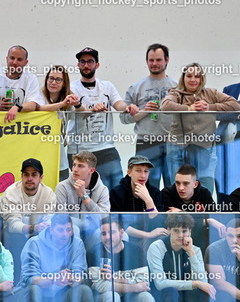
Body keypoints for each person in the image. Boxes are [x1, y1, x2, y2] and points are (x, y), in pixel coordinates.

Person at [147, 214, 222, 302]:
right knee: (170, 290)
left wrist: (191, 253)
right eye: (176, 231)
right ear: (168, 230)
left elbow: (203, 282)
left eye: (184, 231)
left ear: (190, 232)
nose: (181, 235)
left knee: (205, 292)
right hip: (164, 299)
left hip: (188, 300)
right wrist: (194, 283)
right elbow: (160, 283)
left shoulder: (195, 250)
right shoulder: (157, 247)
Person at [160, 62, 240, 193]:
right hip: (177, 147)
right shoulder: (176, 93)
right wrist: (189, 108)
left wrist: (210, 107)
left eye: (197, 76)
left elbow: (235, 105)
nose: (193, 79)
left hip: (205, 148)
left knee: (205, 188)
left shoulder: (211, 93)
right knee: (178, 187)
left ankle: (203, 208)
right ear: (183, 78)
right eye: (189, 76)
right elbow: (165, 106)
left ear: (202, 79)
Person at [20, 214, 95, 302]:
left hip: (64, 296)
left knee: (84, 291)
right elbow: (29, 278)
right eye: (60, 230)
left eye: (68, 230)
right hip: (40, 298)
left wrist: (70, 278)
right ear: (51, 230)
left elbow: (81, 275)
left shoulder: (77, 243)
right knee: (32, 290)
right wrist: (54, 279)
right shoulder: (34, 243)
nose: (65, 234)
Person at [69, 47, 139, 190]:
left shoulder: (107, 86)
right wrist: (92, 110)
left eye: (90, 61)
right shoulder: (71, 88)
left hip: (105, 147)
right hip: (79, 148)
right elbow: (70, 113)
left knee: (117, 189)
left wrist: (127, 108)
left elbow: (118, 104)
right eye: (82, 62)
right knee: (83, 191)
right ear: (78, 65)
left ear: (97, 64)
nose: (86, 65)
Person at [88, 218, 156, 302]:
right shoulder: (93, 252)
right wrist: (134, 286)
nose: (107, 237)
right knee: (111, 296)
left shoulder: (136, 250)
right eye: (103, 234)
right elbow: (99, 285)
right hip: (105, 301)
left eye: (112, 232)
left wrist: (113, 278)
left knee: (147, 298)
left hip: (131, 299)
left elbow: (144, 282)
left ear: (121, 233)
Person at [120, 43, 177, 189]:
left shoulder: (177, 88)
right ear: (146, 61)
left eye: (158, 60)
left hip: (173, 142)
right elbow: (123, 118)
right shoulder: (136, 88)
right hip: (146, 142)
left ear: (167, 60)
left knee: (174, 186)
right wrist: (144, 111)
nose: (154, 63)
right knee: (147, 187)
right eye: (151, 60)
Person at [162, 164, 225, 247]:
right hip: (176, 238)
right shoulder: (167, 193)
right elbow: (171, 224)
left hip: (199, 236)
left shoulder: (204, 193)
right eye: (177, 183)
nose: (181, 188)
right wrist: (205, 221)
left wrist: (181, 213)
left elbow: (215, 221)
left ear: (195, 184)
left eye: (186, 183)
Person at [205, 219, 240, 302]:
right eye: (230, 236)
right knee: (222, 296)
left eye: (239, 236)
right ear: (225, 235)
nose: (234, 240)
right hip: (226, 294)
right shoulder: (215, 249)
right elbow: (219, 283)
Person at [0, 45, 41, 123]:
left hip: (20, 125)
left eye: (19, 59)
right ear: (7, 59)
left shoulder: (31, 78)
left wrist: (17, 107)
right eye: (12, 58)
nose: (15, 62)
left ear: (26, 62)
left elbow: (33, 104)